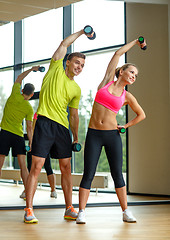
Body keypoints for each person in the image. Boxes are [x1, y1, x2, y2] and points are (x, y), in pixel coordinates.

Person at [24, 28, 92, 224]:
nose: (80, 67)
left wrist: (76, 136)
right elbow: (63, 45)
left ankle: (69, 208)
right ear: (67, 62)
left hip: (62, 129)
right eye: (77, 63)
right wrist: (81, 33)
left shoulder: (76, 89)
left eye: (83, 65)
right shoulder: (55, 69)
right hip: (44, 122)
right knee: (36, 167)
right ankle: (29, 209)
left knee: (66, 168)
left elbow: (74, 115)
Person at [76, 38, 146, 224]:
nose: (133, 76)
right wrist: (136, 42)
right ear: (121, 72)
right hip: (94, 134)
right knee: (88, 173)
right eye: (132, 72)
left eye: (136, 75)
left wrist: (125, 126)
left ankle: (125, 211)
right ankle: (81, 212)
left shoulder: (127, 96)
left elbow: (141, 115)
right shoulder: (106, 82)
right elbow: (117, 54)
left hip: (112, 136)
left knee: (117, 174)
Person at [0, 66, 39, 191]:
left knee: (0, 165)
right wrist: (31, 143)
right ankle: (28, 192)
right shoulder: (29, 108)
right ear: (32, 94)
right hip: (18, 136)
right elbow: (29, 127)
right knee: (23, 166)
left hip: (5, 133)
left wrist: (32, 69)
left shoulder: (15, 93)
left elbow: (19, 77)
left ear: (22, 90)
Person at [20, 112, 57, 199]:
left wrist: (31, 143)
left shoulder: (41, 114)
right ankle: (53, 191)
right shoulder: (40, 113)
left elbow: (32, 128)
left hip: (41, 144)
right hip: (39, 144)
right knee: (39, 169)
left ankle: (53, 190)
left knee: (40, 169)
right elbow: (32, 129)